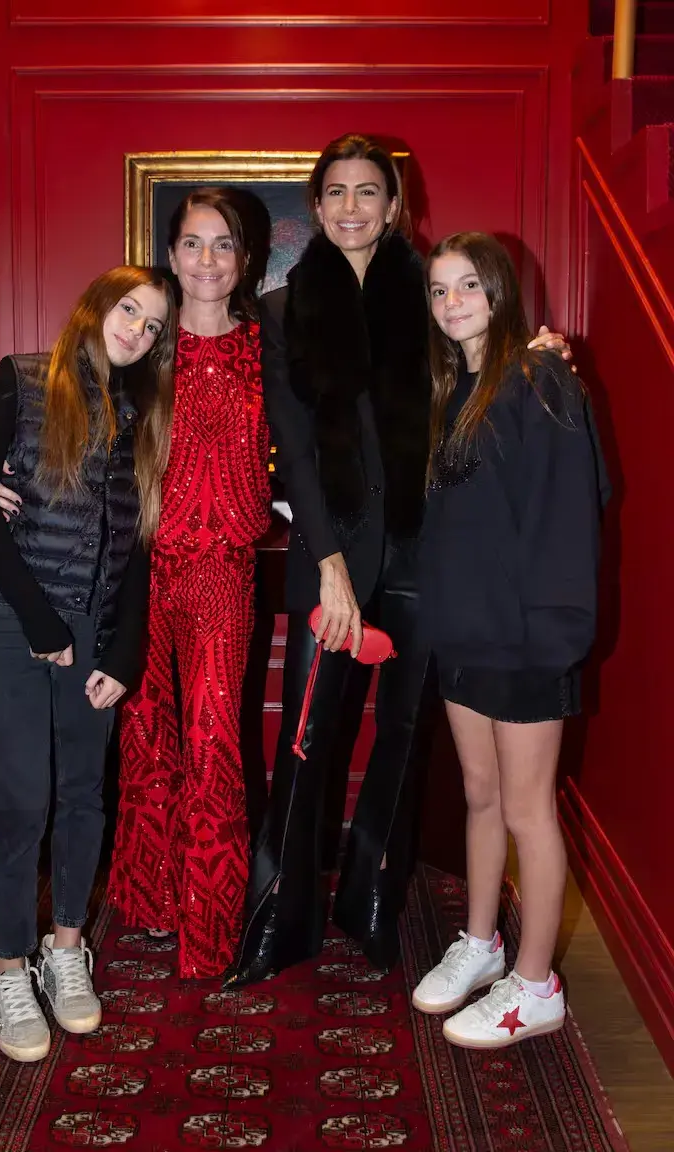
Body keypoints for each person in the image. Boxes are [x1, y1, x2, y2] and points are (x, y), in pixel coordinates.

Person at [224, 134, 573, 988]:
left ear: (393, 205)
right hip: (330, 555)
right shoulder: (278, 310)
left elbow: (481, 368)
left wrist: (540, 350)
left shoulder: (430, 298)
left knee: (404, 737)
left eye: (368, 192)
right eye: (335, 192)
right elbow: (295, 451)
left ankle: (375, 899)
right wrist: (333, 565)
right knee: (311, 741)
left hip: (428, 552)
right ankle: (284, 913)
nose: (351, 207)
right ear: (317, 207)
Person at [0, 266, 176, 1062]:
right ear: (93, 308)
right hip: (17, 621)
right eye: (128, 312)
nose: (137, 332)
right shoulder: (20, 380)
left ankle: (66, 950)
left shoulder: (142, 414)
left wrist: (123, 649)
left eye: (153, 326)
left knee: (84, 797)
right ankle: (7, 967)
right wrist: (43, 621)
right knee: (22, 802)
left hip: (96, 635)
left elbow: (139, 548)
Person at [410, 232, 609, 1048]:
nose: (452, 302)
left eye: (469, 286)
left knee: (530, 812)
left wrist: (557, 633)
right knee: (481, 796)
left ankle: (537, 986)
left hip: (531, 638)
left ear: (500, 292)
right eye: (439, 290)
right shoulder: (453, 388)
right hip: (465, 634)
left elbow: (576, 504)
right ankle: (483, 945)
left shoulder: (540, 375)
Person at [106, 188, 273, 980]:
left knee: (211, 745)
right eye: (193, 244)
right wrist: (12, 470)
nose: (207, 260)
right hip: (142, 570)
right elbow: (73, 416)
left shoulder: (267, 348)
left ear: (243, 261)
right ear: (171, 256)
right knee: (144, 741)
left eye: (223, 245)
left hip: (222, 577)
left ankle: (209, 930)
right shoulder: (145, 346)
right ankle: (150, 905)